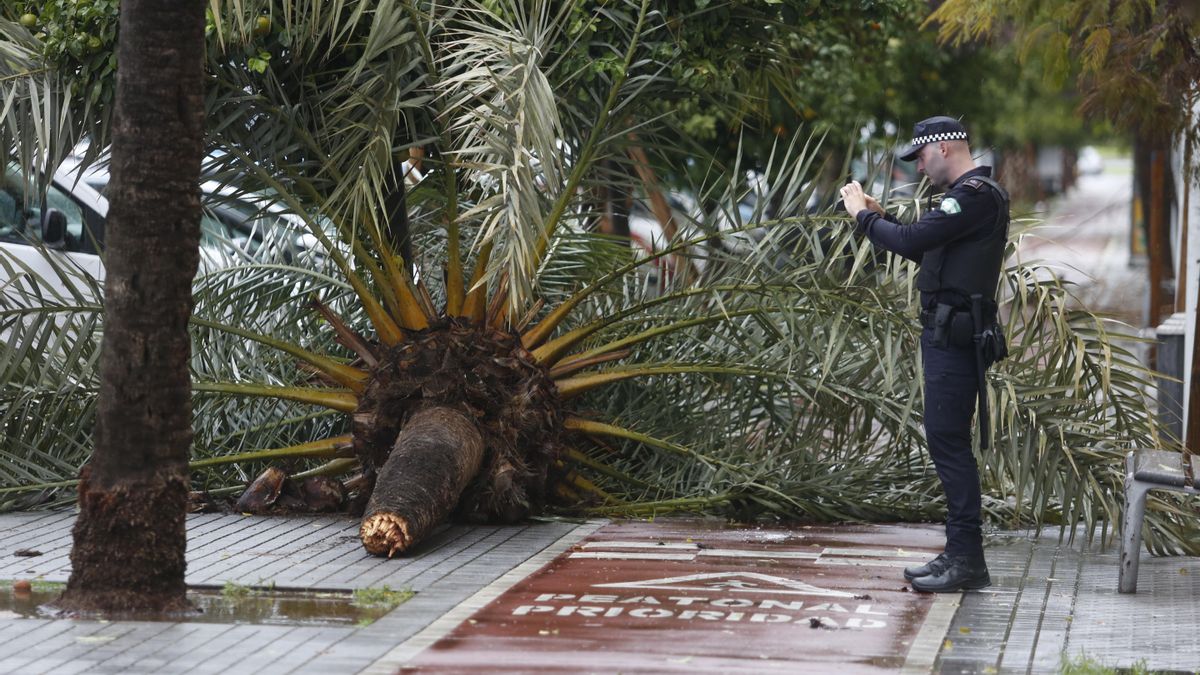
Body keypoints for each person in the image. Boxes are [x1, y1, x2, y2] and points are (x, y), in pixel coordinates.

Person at [839, 116, 1010, 593]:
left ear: (945, 149)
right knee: (945, 441)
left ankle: (967, 560)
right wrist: (881, 219)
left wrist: (862, 214)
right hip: (947, 336)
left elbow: (913, 241)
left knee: (949, 444)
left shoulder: (972, 196)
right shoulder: (968, 199)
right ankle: (958, 554)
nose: (919, 167)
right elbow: (925, 251)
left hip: (955, 340)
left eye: (921, 157)